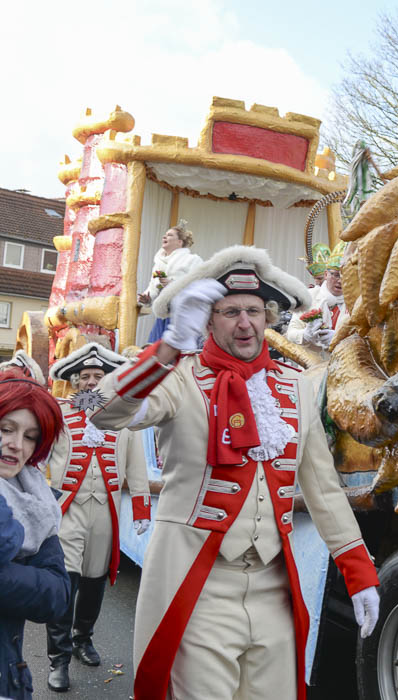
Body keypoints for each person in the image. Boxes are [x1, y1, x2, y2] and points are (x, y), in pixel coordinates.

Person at [88, 245, 380, 700]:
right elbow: (99, 411)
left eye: (254, 310)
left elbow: (323, 488)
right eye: (229, 312)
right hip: (198, 586)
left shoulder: (296, 386)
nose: (245, 322)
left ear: (269, 317)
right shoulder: (179, 377)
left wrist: (359, 570)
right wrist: (165, 348)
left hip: (273, 588)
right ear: (207, 320)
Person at [43, 343, 152, 692]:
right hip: (68, 509)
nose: (91, 383)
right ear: (76, 382)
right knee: (65, 581)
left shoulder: (122, 418)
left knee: (93, 580)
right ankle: (57, 659)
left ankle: (82, 639)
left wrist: (140, 508)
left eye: (98, 376)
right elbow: (41, 459)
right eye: (85, 377)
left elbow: (136, 467)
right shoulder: (59, 414)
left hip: (105, 509)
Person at [0, 368, 71, 699]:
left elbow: (57, 596)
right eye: (6, 429)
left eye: (30, 436)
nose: (16, 445)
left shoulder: (37, 505)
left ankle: (69, 655)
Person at [137, 220, 203, 344]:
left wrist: (174, 285)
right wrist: (147, 299)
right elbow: (153, 288)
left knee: (178, 354)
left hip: (184, 316)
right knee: (155, 352)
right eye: (165, 234)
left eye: (170, 235)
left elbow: (201, 286)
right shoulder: (159, 264)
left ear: (180, 242)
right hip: (162, 316)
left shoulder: (193, 260)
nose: (164, 236)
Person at [286, 241, 347, 355]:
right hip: (312, 366)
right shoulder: (309, 296)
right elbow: (290, 334)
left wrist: (339, 339)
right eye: (336, 274)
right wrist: (305, 335)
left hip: (341, 367)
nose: (340, 280)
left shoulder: (355, 302)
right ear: (326, 274)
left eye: (345, 275)